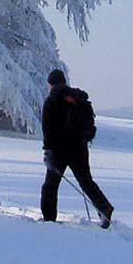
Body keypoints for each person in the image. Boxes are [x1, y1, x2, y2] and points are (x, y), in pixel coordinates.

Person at [41, 69, 114, 228]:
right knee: (86, 181)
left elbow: (48, 129)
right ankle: (104, 208)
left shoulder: (51, 101)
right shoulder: (78, 99)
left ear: (51, 84)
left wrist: (48, 151)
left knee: (51, 185)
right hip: (79, 148)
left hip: (59, 150)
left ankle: (48, 218)